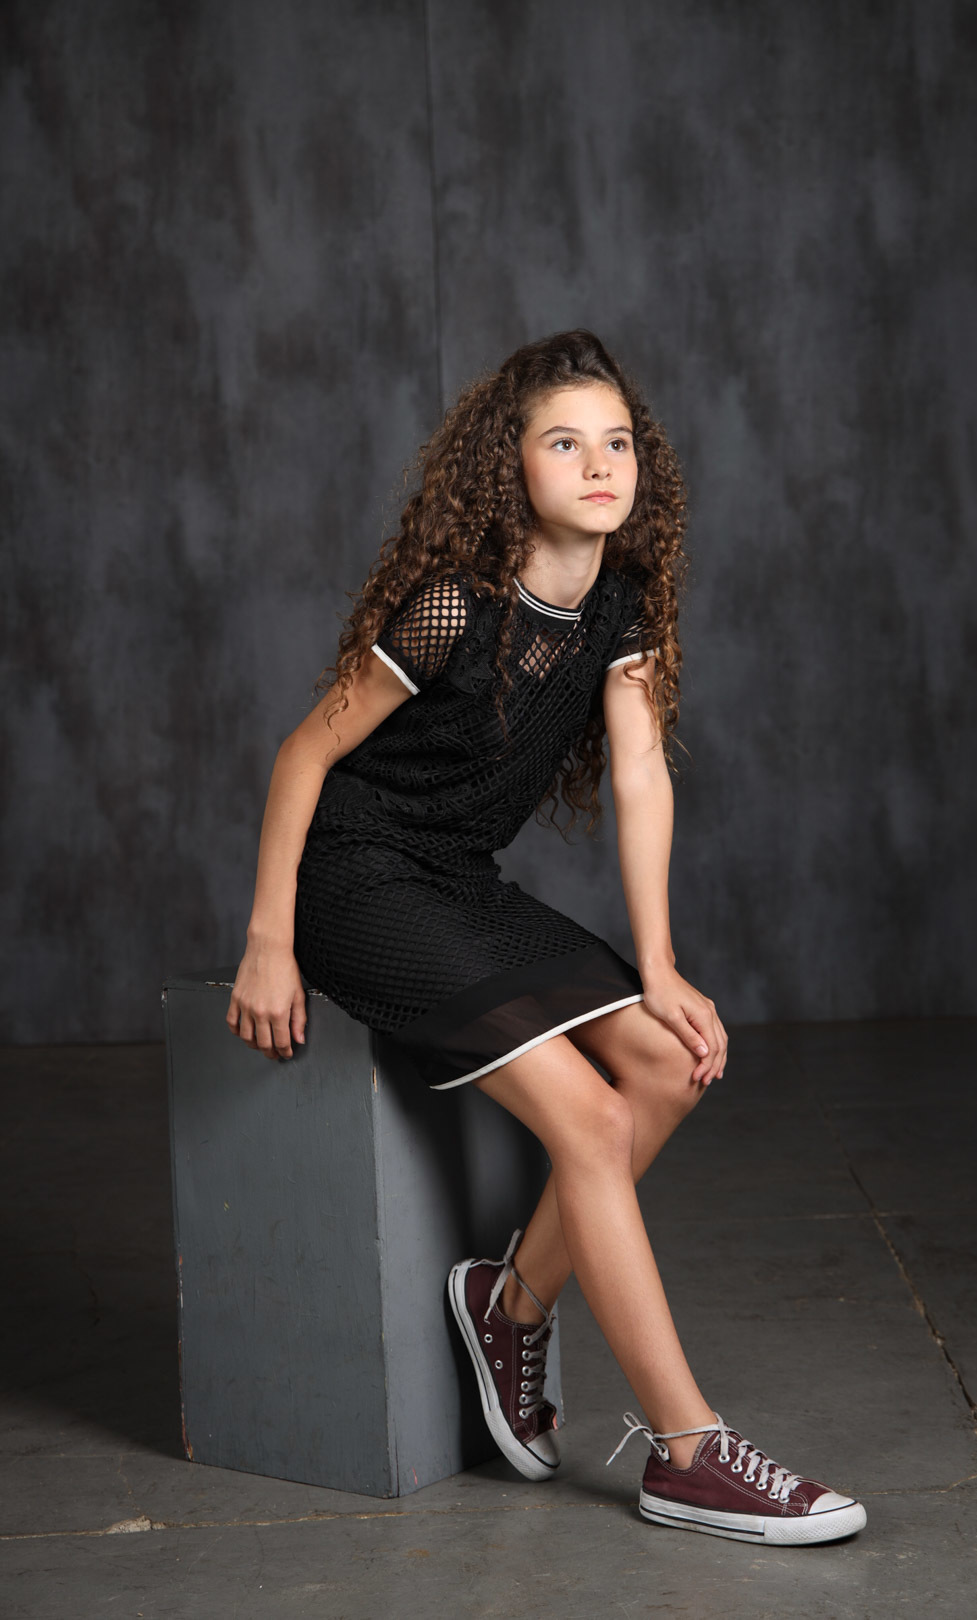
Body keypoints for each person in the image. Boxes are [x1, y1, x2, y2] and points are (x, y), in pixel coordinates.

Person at [226, 329, 866, 1546]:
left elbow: (641, 775)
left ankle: (510, 1307)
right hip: (358, 881)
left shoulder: (620, 602)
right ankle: (687, 1453)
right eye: (564, 443)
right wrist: (270, 938)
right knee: (592, 1119)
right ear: (510, 467)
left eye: (616, 441)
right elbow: (303, 755)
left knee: (668, 1063)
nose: (599, 463)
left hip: (458, 881)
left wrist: (659, 966)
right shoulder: (453, 606)